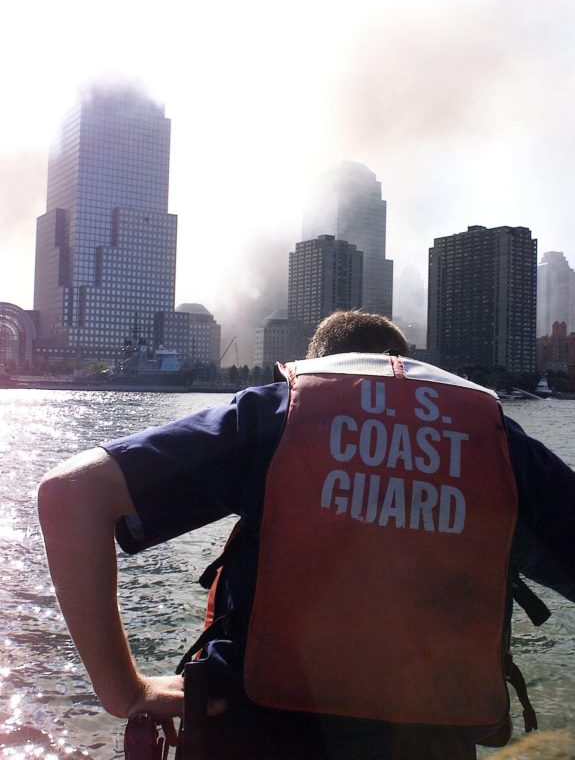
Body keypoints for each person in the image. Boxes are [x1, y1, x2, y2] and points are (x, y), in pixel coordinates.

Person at [38, 311, 575, 760]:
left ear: (313, 368)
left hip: (253, 733)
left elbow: (70, 494)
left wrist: (124, 690)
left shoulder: (279, 413)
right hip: (430, 743)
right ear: (411, 365)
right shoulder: (496, 440)